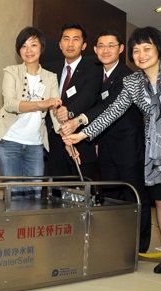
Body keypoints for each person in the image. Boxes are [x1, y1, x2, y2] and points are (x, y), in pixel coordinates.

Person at [63, 26, 161, 281]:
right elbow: (113, 111)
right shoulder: (133, 82)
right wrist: (83, 134)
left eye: (147, 48)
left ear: (157, 49)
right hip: (155, 148)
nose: (142, 54)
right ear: (131, 56)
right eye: (136, 51)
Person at [61, 29, 150, 253]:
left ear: (121, 49)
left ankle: (139, 246)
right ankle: (114, 242)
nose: (105, 50)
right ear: (94, 49)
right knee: (111, 194)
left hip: (129, 144)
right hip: (106, 143)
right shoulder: (98, 75)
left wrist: (79, 122)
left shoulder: (129, 76)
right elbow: (93, 102)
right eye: (101, 45)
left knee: (133, 193)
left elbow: (109, 106)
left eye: (111, 45)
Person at [0, 27, 61, 199]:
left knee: (34, 197)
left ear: (41, 47)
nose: (28, 50)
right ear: (19, 49)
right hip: (8, 142)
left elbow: (54, 110)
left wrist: (67, 137)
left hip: (35, 146)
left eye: (33, 45)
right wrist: (41, 103)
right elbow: (11, 104)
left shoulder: (50, 77)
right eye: (24, 46)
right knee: (15, 196)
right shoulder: (12, 72)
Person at [45, 23, 101, 180]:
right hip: (54, 139)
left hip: (81, 137)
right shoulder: (50, 69)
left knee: (83, 191)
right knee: (56, 191)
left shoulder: (94, 67)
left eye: (75, 40)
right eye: (66, 39)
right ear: (60, 44)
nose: (70, 44)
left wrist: (69, 111)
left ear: (83, 45)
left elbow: (89, 96)